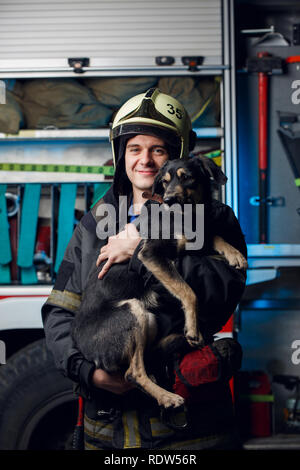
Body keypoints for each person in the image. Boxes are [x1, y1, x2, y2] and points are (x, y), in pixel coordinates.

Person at [42, 87, 247, 450]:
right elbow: (61, 312)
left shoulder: (216, 221)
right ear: (121, 155)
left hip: (190, 432)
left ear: (177, 157)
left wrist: (138, 250)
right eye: (134, 149)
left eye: (159, 150)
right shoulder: (95, 225)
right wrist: (90, 373)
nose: (145, 161)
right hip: (108, 431)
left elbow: (219, 297)